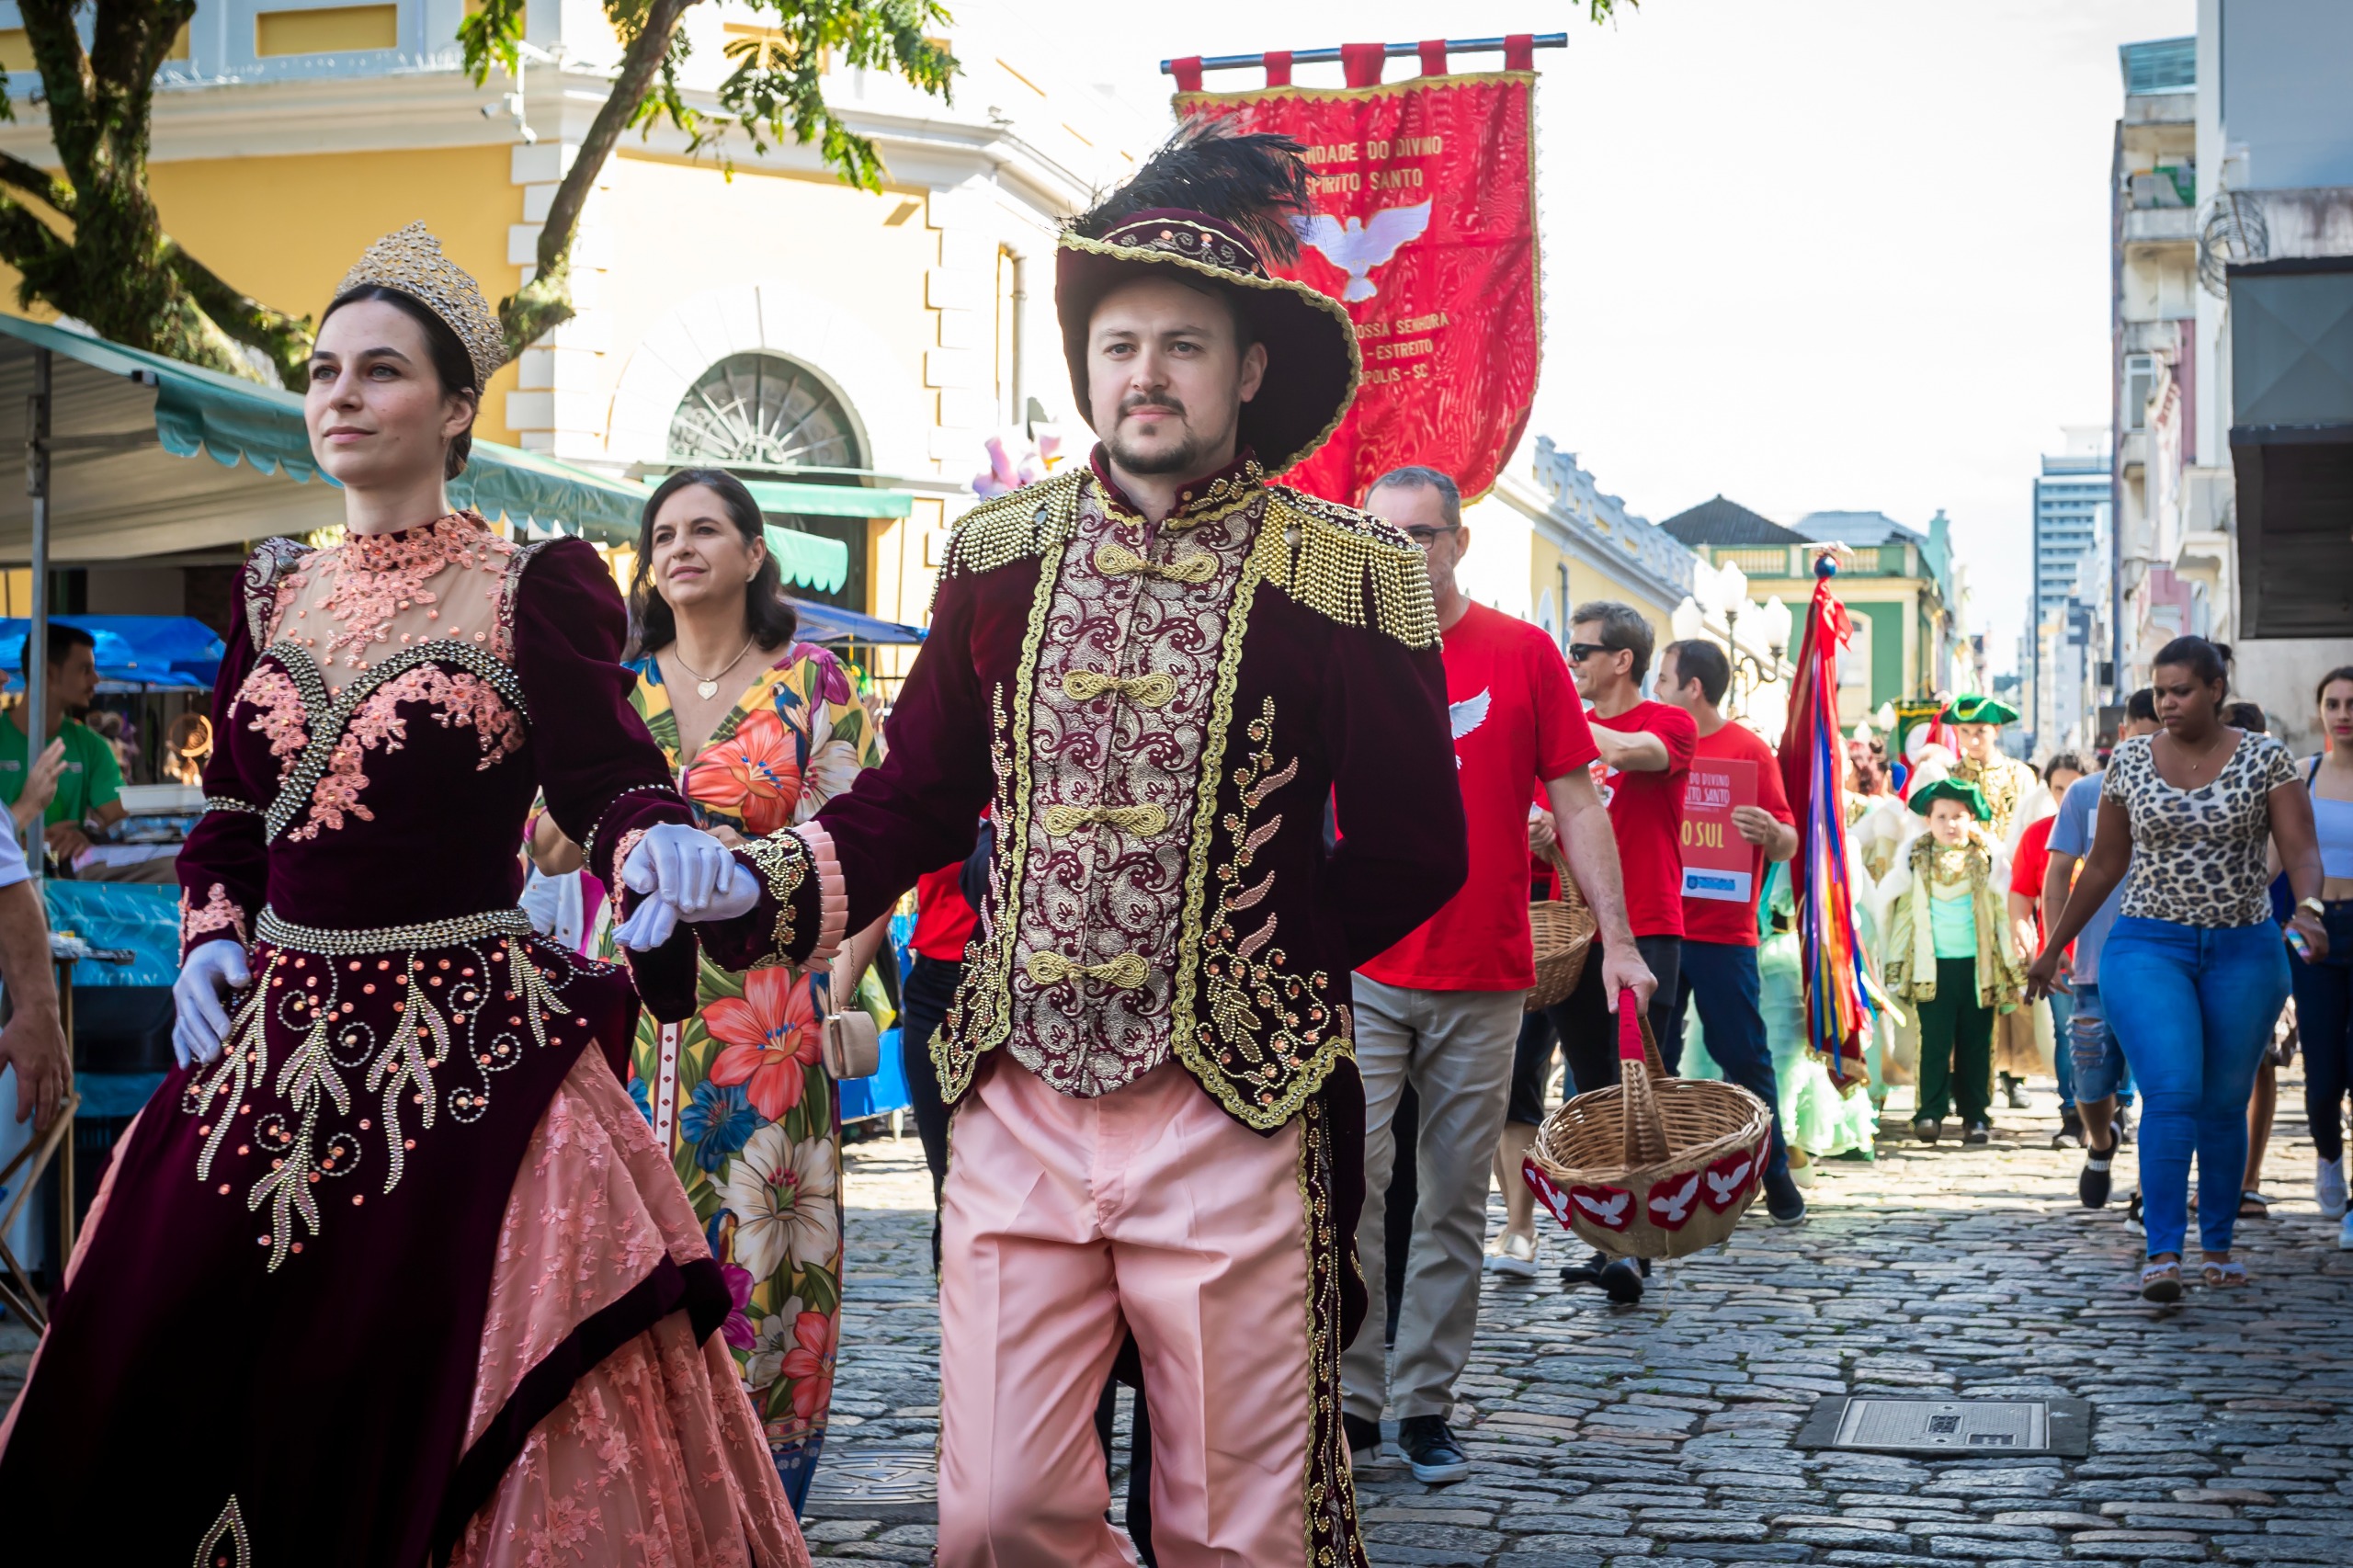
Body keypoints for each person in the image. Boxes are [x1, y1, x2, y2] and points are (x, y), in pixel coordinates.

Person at [631, 125, 1472, 1566]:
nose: (1147, 372)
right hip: (1016, 1092)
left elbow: (1418, 847)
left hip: (1237, 1107)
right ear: (1089, 364)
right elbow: (910, 797)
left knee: (1239, 1527)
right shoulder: (997, 558)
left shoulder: (1350, 580)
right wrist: (761, 883)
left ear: (1249, 370)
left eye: (1185, 346)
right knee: (1001, 1509)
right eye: (1121, 341)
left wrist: (1259, 957)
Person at [0, 225, 808, 1566]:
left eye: (380, 371)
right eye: (323, 370)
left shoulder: (530, 583)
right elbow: (233, 816)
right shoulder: (272, 584)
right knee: (158, 1342)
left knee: (444, 1369)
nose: (340, 395)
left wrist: (656, 840)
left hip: (465, 1046)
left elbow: (607, 773)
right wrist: (209, 936)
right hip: (265, 1043)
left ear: (453, 408)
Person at [1345, 463, 1642, 1484]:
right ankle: (1350, 1399)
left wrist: (1618, 937)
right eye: (1378, 535)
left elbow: (1577, 801)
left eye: (1417, 535)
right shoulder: (1340, 650)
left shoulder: (1519, 654)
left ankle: (1423, 1402)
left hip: (1483, 971)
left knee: (1452, 1199)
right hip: (1365, 965)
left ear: (1457, 541)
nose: (1397, 554)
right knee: (1352, 1185)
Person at [615, 466, 887, 1509]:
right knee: (633, 1250)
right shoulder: (617, 691)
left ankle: (761, 1497)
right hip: (631, 1018)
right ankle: (647, 1492)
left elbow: (864, 845)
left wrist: (842, 983)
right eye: (664, 533)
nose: (680, 547)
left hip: (773, 1016)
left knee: (770, 1253)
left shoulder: (813, 681)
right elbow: (549, 852)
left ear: (753, 552)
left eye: (705, 529)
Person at [2029, 635, 2327, 1301]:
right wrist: (2056, 946)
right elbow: (2103, 864)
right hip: (2147, 947)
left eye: (2181, 690)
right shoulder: (2131, 760)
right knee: (2170, 1092)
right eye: (2160, 691)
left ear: (2216, 690)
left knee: (2223, 1103)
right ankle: (2163, 1252)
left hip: (2244, 949)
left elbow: (2300, 850)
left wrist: (2307, 908)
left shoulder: (2265, 758)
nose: (2167, 702)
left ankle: (2216, 1243)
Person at [1497, 599, 1692, 1305]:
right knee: (1521, 1080)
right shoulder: (1562, 730)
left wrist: (1548, 714)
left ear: (1622, 660)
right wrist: (1539, 834)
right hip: (1559, 938)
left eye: (1578, 652)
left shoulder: (1665, 721)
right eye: (1564, 652)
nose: (1569, 661)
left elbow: (1634, 756)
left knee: (1621, 1095)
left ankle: (1631, 1247)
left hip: (1642, 935)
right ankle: (1532, 1232)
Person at [1650, 637, 1805, 1222]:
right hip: (1659, 927)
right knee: (1653, 1059)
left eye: (1664, 678)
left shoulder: (1747, 750)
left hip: (1723, 932)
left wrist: (1770, 830)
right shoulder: (1653, 744)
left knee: (1744, 1054)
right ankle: (1658, 1186)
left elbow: (1789, 841)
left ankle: (1777, 1174)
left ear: (1693, 687)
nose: (1657, 688)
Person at [2046, 694, 2156, 1208]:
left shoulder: (2183, 791)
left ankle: (2149, 1189)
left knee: (2163, 1083)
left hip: (2163, 965)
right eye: (2143, 734)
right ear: (2124, 733)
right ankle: (2101, 1142)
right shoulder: (2087, 794)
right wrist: (2054, 944)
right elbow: (2056, 875)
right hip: (2093, 963)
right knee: (2089, 1078)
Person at [1874, 779, 2028, 1144]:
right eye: (1942, 816)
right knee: (1935, 1043)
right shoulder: (1915, 858)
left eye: (1959, 816)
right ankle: (1929, 1112)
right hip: (1932, 968)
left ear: (1972, 818)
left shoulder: (1986, 858)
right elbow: (1905, 916)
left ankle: (1976, 1115)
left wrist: (2015, 959)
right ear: (1928, 820)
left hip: (1979, 967)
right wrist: (1894, 966)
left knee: (1977, 1043)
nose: (1950, 824)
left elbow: (2000, 912)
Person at [2290, 666, 2353, 1246]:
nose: (2343, 712)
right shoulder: (2303, 774)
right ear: (2320, 712)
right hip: (2314, 930)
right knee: (2324, 1073)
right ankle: (2329, 1157)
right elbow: (2269, 860)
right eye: (2332, 702)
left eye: (2351, 702)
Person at [2, 623, 126, 867]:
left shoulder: (93, 746)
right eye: (85, 669)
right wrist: (22, 842)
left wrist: (88, 836)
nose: (96, 679)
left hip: (68, 892)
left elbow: (121, 822)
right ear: (48, 673)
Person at [2010, 753, 2086, 1144]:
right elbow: (2021, 892)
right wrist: (2021, 926)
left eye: (2075, 787)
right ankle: (2072, 1114)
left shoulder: (2114, 832)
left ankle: (2120, 1107)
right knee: (2069, 1032)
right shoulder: (2038, 835)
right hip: (2060, 954)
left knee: (2122, 1032)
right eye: (2059, 788)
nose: (2067, 796)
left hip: (2113, 951)